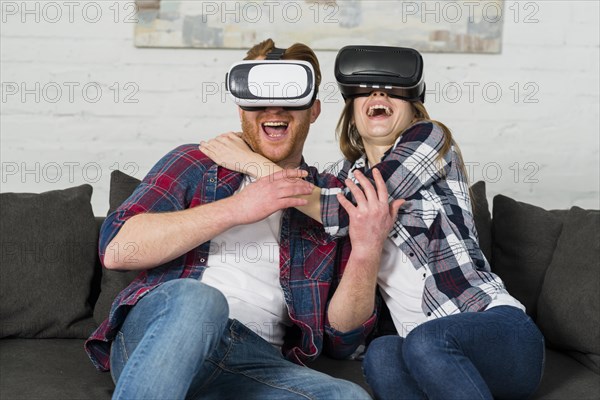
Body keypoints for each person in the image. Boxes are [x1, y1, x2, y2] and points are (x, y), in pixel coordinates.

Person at [200, 45, 545, 400]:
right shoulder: (339, 177)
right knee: (381, 354)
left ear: (413, 109)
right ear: (351, 112)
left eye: (392, 90)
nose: (378, 94)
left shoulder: (430, 140)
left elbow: (339, 209)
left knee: (428, 340)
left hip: (499, 334)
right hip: (424, 355)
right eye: (365, 90)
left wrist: (250, 162)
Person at [84, 39, 396, 400]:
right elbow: (118, 250)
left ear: (314, 110)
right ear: (240, 108)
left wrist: (367, 251)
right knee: (202, 301)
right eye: (259, 95)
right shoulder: (196, 163)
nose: (273, 108)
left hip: (253, 361)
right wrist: (237, 208)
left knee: (350, 398)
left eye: (289, 95)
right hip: (164, 336)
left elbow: (343, 340)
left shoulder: (327, 200)